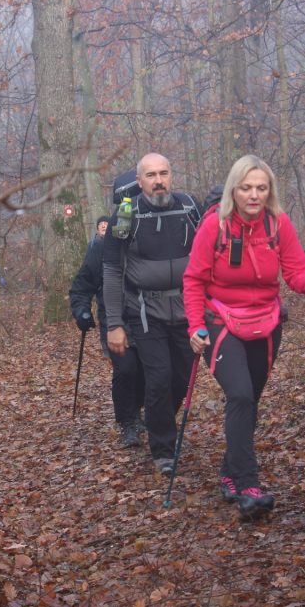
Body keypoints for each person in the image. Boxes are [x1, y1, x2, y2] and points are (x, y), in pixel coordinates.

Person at [184, 155, 305, 519]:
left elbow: (296, 273)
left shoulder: (279, 225)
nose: (253, 195)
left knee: (249, 401)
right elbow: (193, 280)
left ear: (270, 192)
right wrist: (194, 326)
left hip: (266, 323)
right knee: (240, 394)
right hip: (220, 320)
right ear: (233, 190)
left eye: (261, 188)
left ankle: (229, 473)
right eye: (246, 188)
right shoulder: (213, 227)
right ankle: (248, 486)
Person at [102, 153, 202, 475]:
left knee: (182, 379)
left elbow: (209, 256)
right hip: (145, 311)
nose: (159, 181)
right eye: (151, 175)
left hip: (187, 310)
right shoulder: (125, 216)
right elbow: (112, 271)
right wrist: (115, 323)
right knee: (158, 380)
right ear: (139, 180)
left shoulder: (190, 208)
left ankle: (158, 420)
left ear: (172, 175)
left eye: (164, 173)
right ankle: (163, 450)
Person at [70, 208, 146, 448]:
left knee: (145, 371)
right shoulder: (99, 249)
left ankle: (137, 412)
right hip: (113, 319)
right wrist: (82, 311)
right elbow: (82, 286)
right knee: (125, 369)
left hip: (147, 317)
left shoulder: (148, 244)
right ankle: (127, 423)